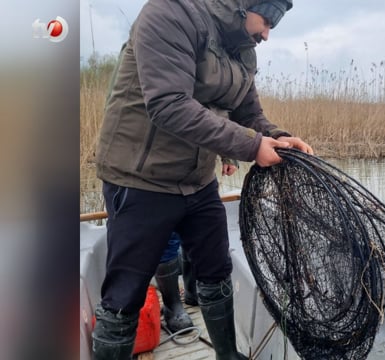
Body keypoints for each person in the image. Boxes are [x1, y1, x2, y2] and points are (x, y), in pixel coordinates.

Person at [91, 0, 313, 359]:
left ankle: (227, 355)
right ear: (243, 5)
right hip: (139, 177)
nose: (267, 34)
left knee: (216, 270)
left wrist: (276, 135)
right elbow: (169, 104)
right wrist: (252, 146)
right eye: (268, 20)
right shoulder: (169, 14)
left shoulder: (243, 48)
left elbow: (248, 111)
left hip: (197, 179)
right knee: (125, 294)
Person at [155, 159, 239, 333]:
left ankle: (193, 292)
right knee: (167, 239)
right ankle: (173, 306)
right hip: (158, 179)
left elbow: (217, 130)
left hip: (200, 177)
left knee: (200, 232)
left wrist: (228, 156)